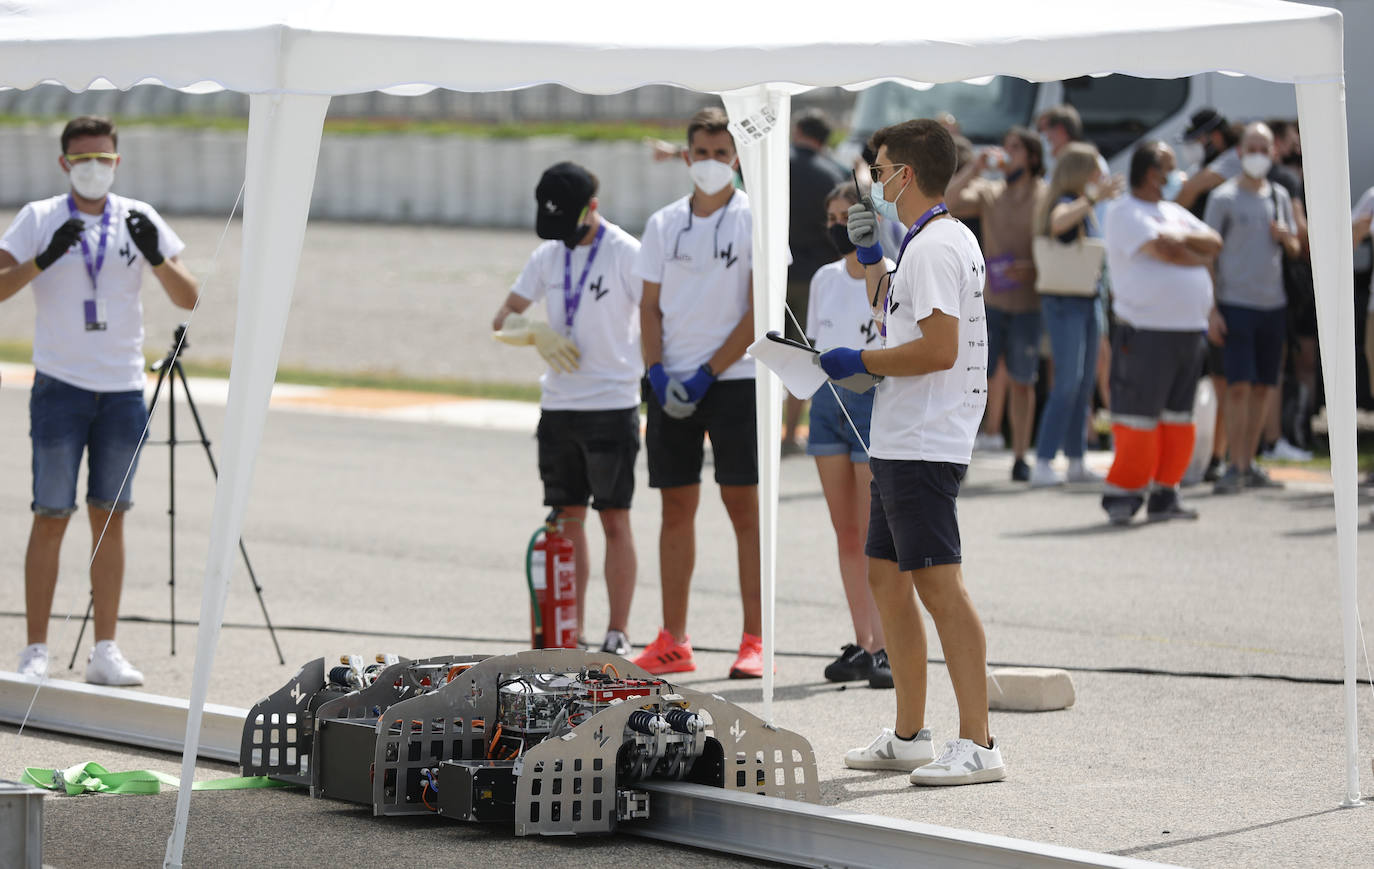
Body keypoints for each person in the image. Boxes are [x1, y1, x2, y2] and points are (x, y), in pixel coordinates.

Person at [822, 118, 1004, 786]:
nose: (873, 176)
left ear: (907, 172)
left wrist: (862, 359)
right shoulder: (927, 242)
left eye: (880, 166)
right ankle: (909, 733)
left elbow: (938, 348)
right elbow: (896, 307)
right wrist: (872, 259)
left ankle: (980, 741)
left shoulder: (935, 246)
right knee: (886, 579)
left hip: (925, 439)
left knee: (938, 585)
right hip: (902, 438)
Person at [0, 115, 199, 684]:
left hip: (121, 391)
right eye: (83, 160)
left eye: (104, 161)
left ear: (117, 162)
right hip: (59, 387)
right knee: (51, 514)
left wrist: (155, 255)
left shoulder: (140, 217)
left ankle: (105, 650)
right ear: (65, 164)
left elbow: (189, 297)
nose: (94, 170)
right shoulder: (40, 217)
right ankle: (35, 649)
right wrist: (42, 259)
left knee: (109, 519)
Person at [633, 107, 764, 679]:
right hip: (672, 383)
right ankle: (672, 639)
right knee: (675, 507)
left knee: (744, 510)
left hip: (733, 381)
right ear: (685, 156)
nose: (711, 163)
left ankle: (756, 639)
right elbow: (648, 305)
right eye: (702, 153)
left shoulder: (755, 218)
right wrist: (658, 371)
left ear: (736, 157)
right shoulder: (663, 223)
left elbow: (760, 310)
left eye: (721, 153)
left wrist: (710, 370)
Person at [490, 162, 641, 655]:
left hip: (612, 402)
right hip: (558, 406)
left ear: (592, 208)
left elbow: (660, 314)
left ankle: (617, 632)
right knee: (566, 517)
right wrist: (534, 331)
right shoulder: (547, 255)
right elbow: (502, 317)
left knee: (614, 517)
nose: (561, 237)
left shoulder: (625, 253)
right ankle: (567, 630)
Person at [1101, 141, 1221, 524]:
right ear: (1152, 173)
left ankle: (1165, 493)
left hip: (1188, 333)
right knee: (1138, 418)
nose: (1176, 173)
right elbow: (1164, 252)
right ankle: (1123, 494)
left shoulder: (1174, 213)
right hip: (1145, 334)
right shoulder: (1124, 211)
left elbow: (1214, 244)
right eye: (1170, 167)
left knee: (1178, 420)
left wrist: (1186, 243)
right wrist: (1194, 254)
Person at [807, 181, 893, 690]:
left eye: (849, 216)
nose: (839, 226)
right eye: (833, 217)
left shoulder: (890, 274)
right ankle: (863, 641)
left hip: (869, 399)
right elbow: (816, 343)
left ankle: (885, 644)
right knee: (844, 532)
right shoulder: (823, 277)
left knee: (870, 532)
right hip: (827, 402)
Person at [1203, 124, 1300, 493]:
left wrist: (1286, 238)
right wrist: (1212, 310)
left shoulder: (1278, 194)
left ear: (1273, 152)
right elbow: (1208, 256)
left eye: (1264, 147)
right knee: (1238, 386)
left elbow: (1293, 249)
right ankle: (1234, 463)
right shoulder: (1223, 197)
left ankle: (1249, 461)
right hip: (1235, 303)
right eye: (1251, 147)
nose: (1258, 153)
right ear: (1240, 153)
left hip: (1272, 304)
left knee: (1263, 387)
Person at [947, 126, 1046, 481]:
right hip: (990, 302)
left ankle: (1020, 456)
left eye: (1015, 148)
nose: (1006, 153)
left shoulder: (1045, 195)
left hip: (1029, 303)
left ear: (1033, 157)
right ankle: (962, 453)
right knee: (975, 379)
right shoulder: (990, 192)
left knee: (1023, 381)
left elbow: (1057, 243)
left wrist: (1034, 268)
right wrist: (976, 167)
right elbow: (949, 200)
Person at [1029, 143, 1124, 486]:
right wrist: (1095, 197)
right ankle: (1043, 459)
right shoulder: (1066, 202)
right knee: (1067, 382)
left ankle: (1075, 458)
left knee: (1084, 384)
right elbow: (1058, 224)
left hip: (1087, 300)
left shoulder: (1085, 204)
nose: (1099, 176)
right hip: (1065, 302)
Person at [783, 108, 849, 456]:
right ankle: (791, 432)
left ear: (798, 131)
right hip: (816, 277)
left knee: (764, 351)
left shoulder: (778, 163)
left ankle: (758, 426)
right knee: (804, 356)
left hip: (773, 273)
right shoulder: (833, 173)